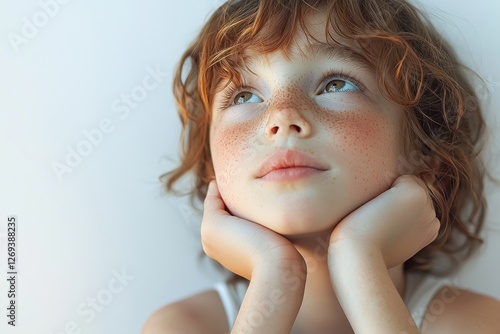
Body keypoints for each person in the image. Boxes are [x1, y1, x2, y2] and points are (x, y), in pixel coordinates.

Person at [142, 0, 500, 333]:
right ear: (211, 169)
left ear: (424, 148)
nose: (282, 117)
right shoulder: (181, 326)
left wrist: (358, 257)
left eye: (335, 84)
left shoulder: (474, 322)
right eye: (244, 95)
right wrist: (275, 276)